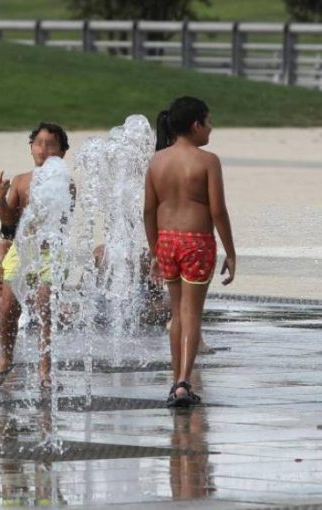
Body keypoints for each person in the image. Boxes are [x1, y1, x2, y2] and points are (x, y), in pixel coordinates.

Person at [144, 96, 236, 407]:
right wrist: (231, 252)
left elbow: (148, 210)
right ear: (196, 125)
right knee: (191, 313)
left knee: (177, 312)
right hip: (197, 242)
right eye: (208, 122)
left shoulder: (156, 161)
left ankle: (174, 381)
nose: (211, 129)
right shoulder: (207, 161)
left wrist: (155, 249)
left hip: (167, 242)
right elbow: (218, 211)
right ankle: (184, 381)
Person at [0, 122, 72, 389]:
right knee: (9, 307)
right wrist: (1, 198)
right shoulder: (22, 181)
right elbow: (8, 221)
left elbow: (62, 222)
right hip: (22, 251)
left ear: (62, 152)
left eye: (51, 145)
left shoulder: (66, 184)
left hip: (50, 255)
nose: (44, 149)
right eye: (38, 143)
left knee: (46, 309)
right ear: (31, 148)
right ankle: (5, 357)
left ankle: (45, 368)